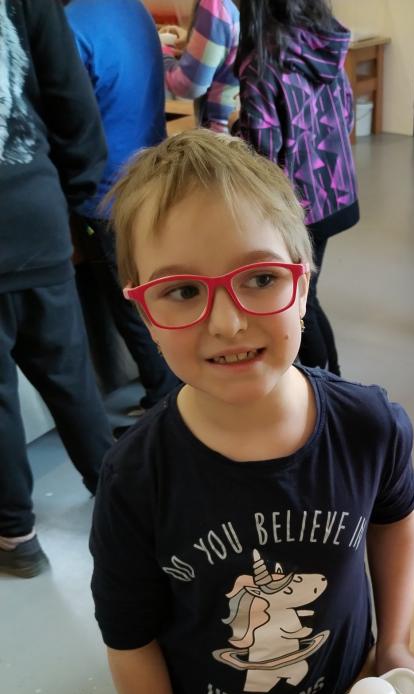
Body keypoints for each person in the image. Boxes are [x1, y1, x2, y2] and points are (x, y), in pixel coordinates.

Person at [89, 131, 414, 694]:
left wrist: (396, 642)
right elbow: (131, 642)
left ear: (302, 284)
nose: (226, 321)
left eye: (257, 278)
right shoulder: (135, 482)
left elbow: (394, 518)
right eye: (182, 291)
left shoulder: (369, 425)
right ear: (143, 311)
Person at [0, 0, 113, 579]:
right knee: (70, 374)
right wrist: (70, 198)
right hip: (34, 209)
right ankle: (120, 497)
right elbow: (73, 101)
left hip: (36, 211)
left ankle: (16, 537)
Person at [64, 0, 180, 413]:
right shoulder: (133, 8)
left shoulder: (72, 26)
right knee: (158, 289)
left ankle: (164, 401)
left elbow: (69, 122)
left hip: (105, 190)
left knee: (130, 303)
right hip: (151, 173)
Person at [236, 0, 359, 375]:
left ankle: (325, 382)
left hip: (300, 205)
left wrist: (234, 137)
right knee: (309, 292)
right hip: (336, 192)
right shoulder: (324, 43)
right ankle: (332, 378)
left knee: (301, 300)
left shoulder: (262, 63)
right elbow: (347, 115)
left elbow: (261, 155)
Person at [163, 0, 240, 132]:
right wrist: (193, 43)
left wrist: (159, 51)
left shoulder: (215, 3)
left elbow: (188, 85)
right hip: (244, 130)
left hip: (221, 134)